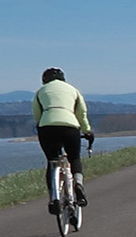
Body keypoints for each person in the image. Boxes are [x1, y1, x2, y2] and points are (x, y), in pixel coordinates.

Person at [32, 67, 94, 214]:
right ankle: (78, 185)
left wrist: (42, 124)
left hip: (47, 127)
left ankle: (53, 198)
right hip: (70, 127)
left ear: (44, 80)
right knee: (74, 158)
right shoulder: (73, 90)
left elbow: (36, 113)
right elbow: (82, 113)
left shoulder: (41, 92)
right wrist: (87, 131)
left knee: (52, 161)